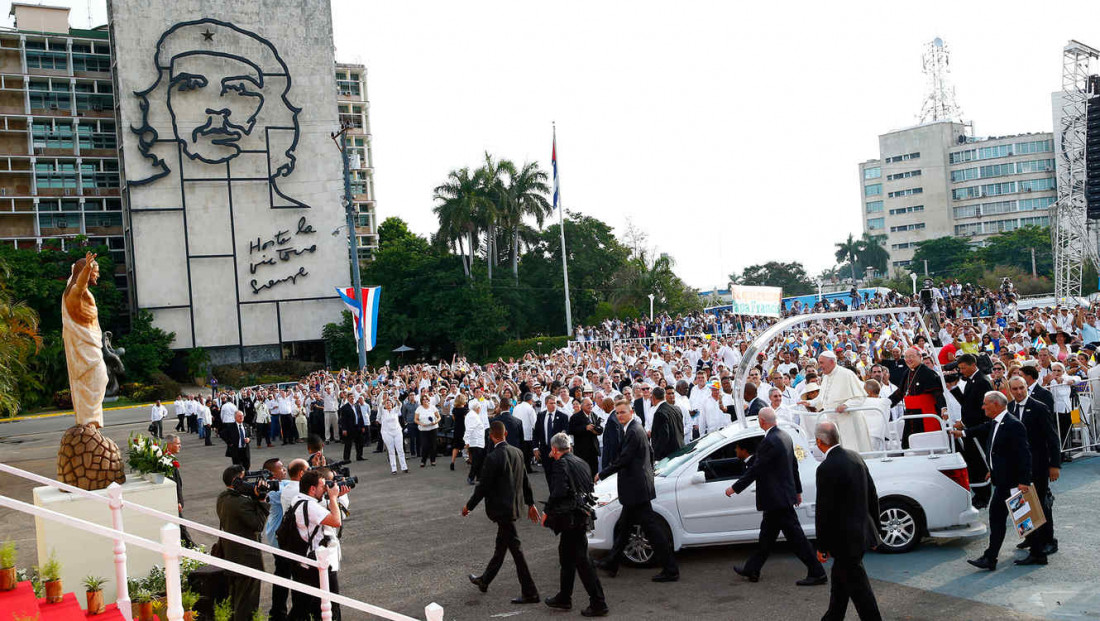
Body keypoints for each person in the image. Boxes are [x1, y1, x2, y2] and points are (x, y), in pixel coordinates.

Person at [727, 408, 826, 586]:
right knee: (766, 538)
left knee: (797, 539)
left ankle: (817, 572)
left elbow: (757, 468)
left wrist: (735, 488)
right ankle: (752, 569)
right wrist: (797, 490)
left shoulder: (769, 441)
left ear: (762, 421)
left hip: (777, 500)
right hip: (780, 498)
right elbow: (793, 466)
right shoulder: (786, 436)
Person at [595, 399, 679, 582]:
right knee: (625, 528)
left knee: (652, 530)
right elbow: (650, 454)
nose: (620, 416)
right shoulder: (634, 429)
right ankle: (612, 562)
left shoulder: (634, 431)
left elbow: (624, 459)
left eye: (623, 412)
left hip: (637, 490)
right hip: (636, 488)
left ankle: (671, 569)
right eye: (617, 413)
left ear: (631, 412)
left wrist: (602, 474)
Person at [949, 391, 1031, 571]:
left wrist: (1024, 481)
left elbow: (1024, 455)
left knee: (1016, 518)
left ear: (996, 405)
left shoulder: (1013, 425)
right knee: (1010, 518)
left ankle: (994, 557)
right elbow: (985, 434)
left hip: (1012, 483)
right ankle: (992, 557)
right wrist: (961, 433)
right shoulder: (996, 423)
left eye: (985, 403)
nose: (983, 407)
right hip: (1002, 480)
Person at [463, 421, 541, 604]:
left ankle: (531, 592)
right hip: (514, 507)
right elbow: (525, 480)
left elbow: (482, 487)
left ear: (491, 436)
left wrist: (469, 506)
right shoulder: (518, 452)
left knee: (516, 551)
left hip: (501, 510)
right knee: (501, 547)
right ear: (505, 434)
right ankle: (485, 580)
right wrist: (530, 503)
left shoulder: (493, 457)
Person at [813, 421, 882, 621]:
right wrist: (876, 531)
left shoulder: (826, 467)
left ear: (819, 441)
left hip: (843, 541)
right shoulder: (855, 457)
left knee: (860, 590)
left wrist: (822, 546)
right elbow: (872, 494)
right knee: (840, 584)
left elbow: (824, 510)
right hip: (860, 534)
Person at [542, 432, 608, 617]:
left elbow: (559, 491)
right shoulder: (581, 462)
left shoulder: (560, 464)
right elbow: (588, 487)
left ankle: (598, 602)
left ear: (554, 449)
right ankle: (564, 597)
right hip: (580, 515)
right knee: (566, 557)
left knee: (582, 561)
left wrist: (547, 512)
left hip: (571, 518)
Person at [1006, 377, 1061, 565]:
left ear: (1026, 387)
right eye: (1015, 389)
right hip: (1020, 466)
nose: (1019, 391)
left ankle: (1048, 540)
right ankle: (1031, 537)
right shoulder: (1010, 408)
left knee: (1042, 504)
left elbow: (1052, 438)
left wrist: (1054, 464)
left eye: (1022, 387)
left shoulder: (1039, 407)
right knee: (1023, 503)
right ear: (1010, 389)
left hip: (1038, 465)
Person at [286, 470, 345, 620]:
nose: (325, 489)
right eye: (323, 486)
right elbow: (336, 521)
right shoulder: (311, 507)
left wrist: (335, 496)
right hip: (318, 563)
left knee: (303, 606)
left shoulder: (297, 499)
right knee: (331, 606)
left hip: (304, 561)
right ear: (312, 489)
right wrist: (333, 497)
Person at [216, 465, 270, 621]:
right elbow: (258, 525)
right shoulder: (240, 503)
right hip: (247, 559)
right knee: (246, 603)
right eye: (244, 478)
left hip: (232, 556)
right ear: (236, 481)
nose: (248, 482)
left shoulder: (223, 497)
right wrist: (261, 500)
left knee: (236, 600)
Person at [946, 353, 994, 508]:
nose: (961, 371)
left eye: (963, 368)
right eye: (959, 368)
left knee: (980, 462)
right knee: (973, 462)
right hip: (970, 427)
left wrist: (965, 423)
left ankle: (983, 496)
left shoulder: (982, 381)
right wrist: (954, 389)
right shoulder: (972, 381)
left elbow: (982, 409)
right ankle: (979, 494)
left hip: (977, 429)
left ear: (973, 365)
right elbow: (968, 403)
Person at [801, 351, 870, 451]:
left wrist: (846, 405)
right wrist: (810, 403)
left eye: (822, 363)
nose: (820, 366)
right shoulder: (826, 377)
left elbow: (860, 397)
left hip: (848, 421)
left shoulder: (847, 374)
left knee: (852, 449)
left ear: (832, 362)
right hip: (833, 422)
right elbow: (823, 397)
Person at [888, 347, 947, 449]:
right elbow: (900, 393)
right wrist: (887, 403)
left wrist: (943, 407)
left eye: (911, 356)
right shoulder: (907, 372)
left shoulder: (928, 372)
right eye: (906, 357)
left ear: (920, 357)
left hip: (925, 415)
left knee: (926, 445)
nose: (908, 359)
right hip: (911, 415)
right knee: (909, 444)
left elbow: (937, 392)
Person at [261, 458, 293, 621]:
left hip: (282, 537)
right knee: (283, 574)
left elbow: (293, 482)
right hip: (278, 538)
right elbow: (292, 489)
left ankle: (279, 612)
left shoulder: (283, 483)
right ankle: (277, 613)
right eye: (281, 469)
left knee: (285, 573)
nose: (284, 470)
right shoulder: (271, 490)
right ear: (271, 474)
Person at [534, 397, 570, 484]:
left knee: (559, 474)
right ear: (546, 404)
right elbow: (536, 432)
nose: (553, 405)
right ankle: (552, 494)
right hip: (545, 450)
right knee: (548, 473)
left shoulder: (562, 416)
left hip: (558, 451)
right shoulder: (541, 415)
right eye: (551, 403)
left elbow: (565, 434)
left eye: (555, 403)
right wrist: (535, 448)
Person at [650, 386, 684, 461]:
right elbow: (681, 430)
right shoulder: (676, 409)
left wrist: (656, 456)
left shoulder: (659, 413)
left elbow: (663, 437)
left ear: (653, 398)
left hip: (669, 456)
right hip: (681, 450)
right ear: (665, 396)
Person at [569, 398, 602, 476]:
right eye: (588, 405)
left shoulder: (594, 415)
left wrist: (596, 430)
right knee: (583, 473)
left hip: (593, 449)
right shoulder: (575, 417)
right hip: (581, 450)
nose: (590, 406)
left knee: (594, 472)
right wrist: (585, 428)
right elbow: (571, 430)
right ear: (582, 406)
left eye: (591, 404)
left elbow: (600, 428)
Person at [378, 394, 409, 474]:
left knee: (400, 450)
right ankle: (394, 469)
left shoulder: (395, 410)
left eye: (390, 403)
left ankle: (404, 467)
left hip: (397, 431)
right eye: (387, 403)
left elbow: (400, 404)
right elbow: (381, 405)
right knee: (391, 451)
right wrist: (386, 399)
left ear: (392, 404)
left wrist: (396, 399)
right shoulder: (383, 411)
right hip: (387, 433)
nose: (388, 404)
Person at [514, 393, 538, 472]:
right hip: (527, 434)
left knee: (520, 452)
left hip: (517, 433)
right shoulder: (530, 409)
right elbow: (534, 423)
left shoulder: (516, 407)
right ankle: (527, 468)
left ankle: (520, 468)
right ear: (530, 400)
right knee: (527, 453)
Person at [415, 394, 441, 467]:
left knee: (433, 445)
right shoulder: (419, 409)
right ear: (421, 401)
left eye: (426, 399)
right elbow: (415, 419)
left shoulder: (433, 407)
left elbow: (439, 417)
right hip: (423, 429)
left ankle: (433, 460)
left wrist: (435, 422)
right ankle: (423, 460)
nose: (425, 401)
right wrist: (420, 423)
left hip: (433, 428)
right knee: (425, 445)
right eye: (423, 399)